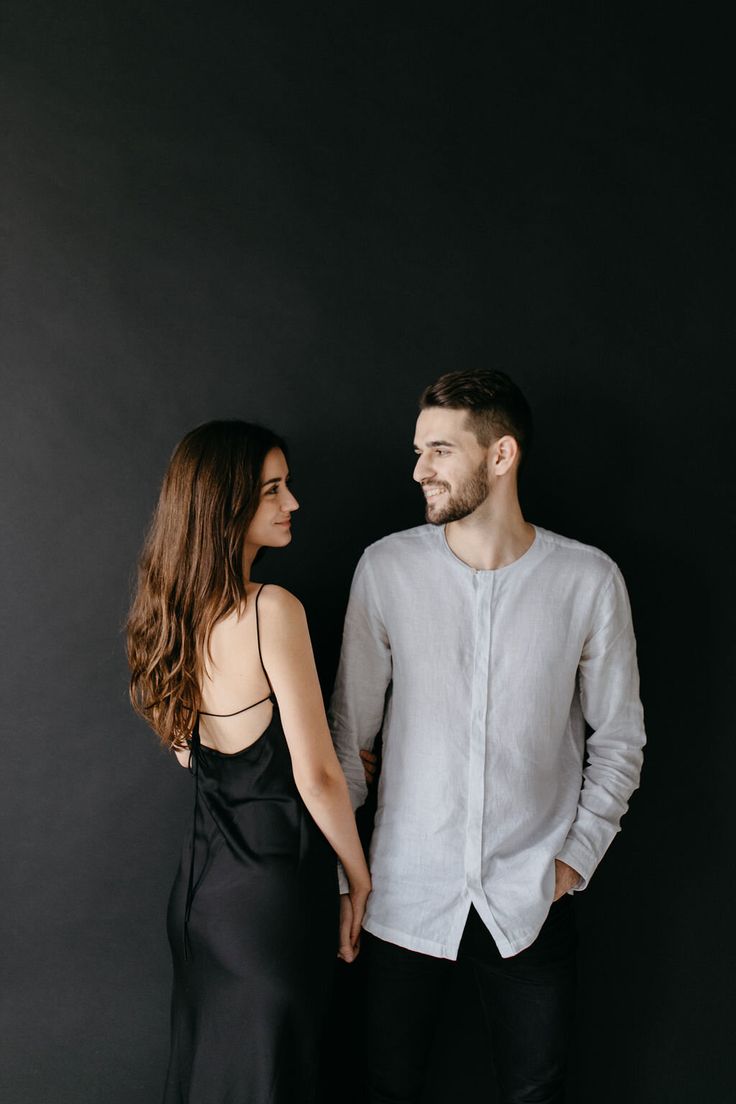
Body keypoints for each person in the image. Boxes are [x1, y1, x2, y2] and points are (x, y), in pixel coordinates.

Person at [329, 371, 646, 1104]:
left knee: (538, 1093)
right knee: (387, 1089)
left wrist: (572, 861)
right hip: (401, 896)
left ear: (501, 456)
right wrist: (348, 880)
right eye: (418, 450)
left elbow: (621, 738)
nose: (419, 470)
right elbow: (350, 733)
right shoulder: (387, 568)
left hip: (532, 897)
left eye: (439, 450)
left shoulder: (588, 580)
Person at [126, 420, 371, 1104]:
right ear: (224, 504)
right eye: (271, 489)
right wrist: (358, 879)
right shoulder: (271, 610)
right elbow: (316, 779)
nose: (291, 502)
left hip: (199, 902)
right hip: (273, 901)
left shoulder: (169, 616)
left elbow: (195, 758)